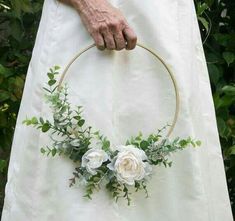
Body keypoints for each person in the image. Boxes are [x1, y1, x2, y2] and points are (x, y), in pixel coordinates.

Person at [1, 0, 233, 220]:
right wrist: (87, 5)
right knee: (62, 175)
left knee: (174, 181)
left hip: (166, 30)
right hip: (79, 29)